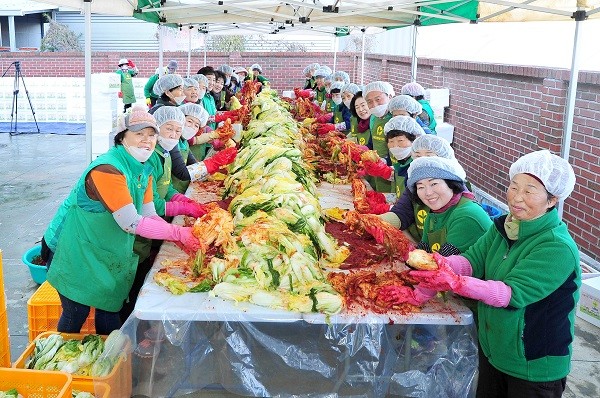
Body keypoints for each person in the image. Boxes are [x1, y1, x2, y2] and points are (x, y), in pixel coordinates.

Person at [410, 150, 578, 398]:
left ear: (552, 200)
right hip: (494, 350)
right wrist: (439, 264)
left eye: (529, 191)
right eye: (514, 186)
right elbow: (470, 261)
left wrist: (453, 281)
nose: (517, 198)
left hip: (532, 363)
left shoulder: (556, 247)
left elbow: (510, 293)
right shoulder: (503, 227)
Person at [42, 105, 202, 334]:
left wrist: (175, 236)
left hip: (103, 247)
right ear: (121, 137)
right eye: (138, 134)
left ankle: (109, 359)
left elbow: (149, 215)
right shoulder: (107, 169)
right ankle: (61, 359)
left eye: (151, 135)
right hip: (74, 246)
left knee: (109, 307)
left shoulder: (144, 168)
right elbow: (131, 222)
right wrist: (176, 233)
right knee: (76, 311)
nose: (146, 141)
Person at [406, 156, 492, 255]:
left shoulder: (467, 215)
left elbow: (443, 261)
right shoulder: (435, 213)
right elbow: (423, 251)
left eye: (434, 184)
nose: (428, 193)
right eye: (421, 187)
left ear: (451, 184)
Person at [380, 135, 456, 242]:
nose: (422, 162)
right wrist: (370, 221)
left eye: (429, 156)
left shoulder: (457, 194)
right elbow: (401, 213)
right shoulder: (415, 186)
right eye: (418, 156)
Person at [361, 116, 426, 204]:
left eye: (400, 140)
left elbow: (412, 205)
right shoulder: (402, 162)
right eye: (391, 141)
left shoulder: (418, 166)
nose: (395, 146)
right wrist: (381, 197)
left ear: (414, 140)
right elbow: (400, 195)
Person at [363, 81, 394, 193]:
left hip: (392, 171)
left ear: (390, 96)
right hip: (377, 169)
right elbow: (372, 143)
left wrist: (385, 162)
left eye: (378, 99)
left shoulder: (396, 119)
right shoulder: (373, 118)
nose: (374, 105)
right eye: (369, 102)